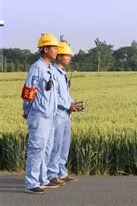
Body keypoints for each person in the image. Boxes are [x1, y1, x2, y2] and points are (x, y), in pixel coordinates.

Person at [22, 33, 60, 194]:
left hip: (50, 116)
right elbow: (28, 91)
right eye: (54, 47)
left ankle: (42, 178)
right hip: (39, 115)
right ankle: (31, 183)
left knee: (46, 148)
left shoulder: (50, 68)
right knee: (36, 148)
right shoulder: (36, 68)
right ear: (45, 49)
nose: (57, 51)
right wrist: (27, 110)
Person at [47, 42, 79, 185]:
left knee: (65, 144)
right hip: (58, 114)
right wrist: (68, 105)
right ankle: (52, 174)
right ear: (59, 57)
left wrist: (73, 103)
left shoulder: (63, 73)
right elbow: (54, 95)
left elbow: (65, 94)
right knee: (56, 144)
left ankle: (61, 172)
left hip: (66, 114)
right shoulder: (52, 72)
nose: (70, 58)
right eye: (67, 55)